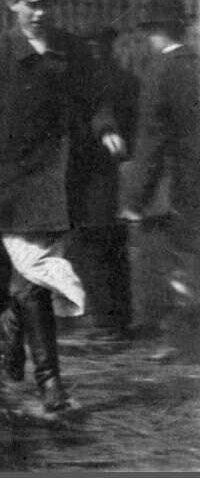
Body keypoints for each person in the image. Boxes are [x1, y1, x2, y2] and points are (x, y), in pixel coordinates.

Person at [0, 0, 125, 416]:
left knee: (34, 282)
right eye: (29, 4)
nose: (39, 12)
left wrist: (105, 126)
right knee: (36, 280)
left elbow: (97, 100)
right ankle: (51, 383)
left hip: (61, 187)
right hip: (13, 188)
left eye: (46, 2)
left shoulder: (74, 52)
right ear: (12, 5)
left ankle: (12, 326)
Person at [119, 0, 200, 361]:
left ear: (157, 32)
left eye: (150, 31)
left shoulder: (159, 73)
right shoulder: (196, 66)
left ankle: (180, 340)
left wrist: (135, 199)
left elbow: (151, 143)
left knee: (172, 262)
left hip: (176, 185)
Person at [65, 26, 137, 340]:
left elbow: (81, 129)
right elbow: (134, 133)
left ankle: (105, 320)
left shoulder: (84, 85)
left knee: (89, 249)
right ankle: (120, 317)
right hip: (118, 178)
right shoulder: (130, 81)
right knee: (115, 250)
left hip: (88, 180)